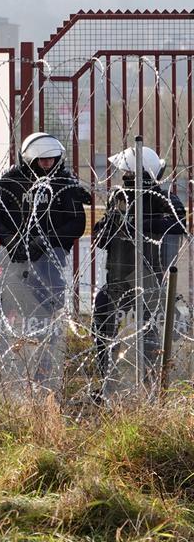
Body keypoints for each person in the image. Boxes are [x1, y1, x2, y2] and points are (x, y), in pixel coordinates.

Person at [0, 132, 90, 394]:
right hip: (10, 259)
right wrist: (11, 240)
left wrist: (47, 241)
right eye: (42, 161)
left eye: (52, 160)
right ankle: (3, 371)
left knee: (46, 315)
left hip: (49, 260)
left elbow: (76, 223)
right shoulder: (11, 181)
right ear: (29, 159)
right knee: (4, 313)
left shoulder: (64, 183)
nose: (47, 165)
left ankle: (42, 375)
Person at [92, 146, 186, 394]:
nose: (122, 175)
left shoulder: (165, 199)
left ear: (140, 173)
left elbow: (179, 224)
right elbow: (100, 239)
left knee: (151, 333)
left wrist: (141, 223)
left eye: (127, 171)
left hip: (152, 279)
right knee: (102, 317)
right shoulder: (119, 199)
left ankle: (153, 385)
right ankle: (106, 381)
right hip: (120, 278)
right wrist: (115, 221)